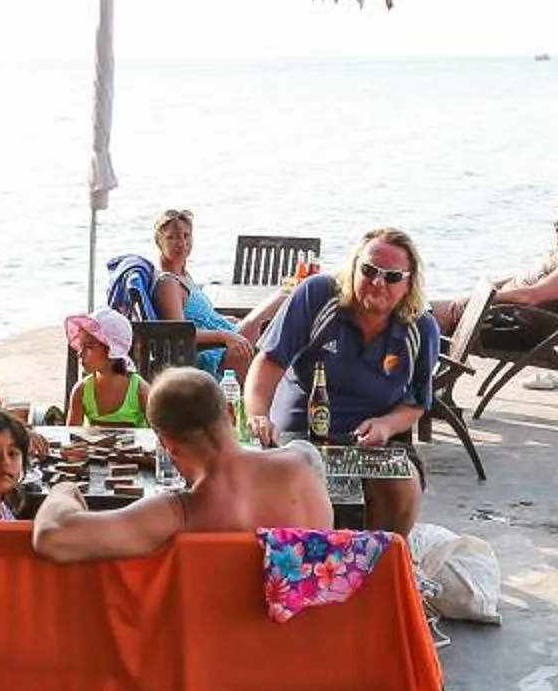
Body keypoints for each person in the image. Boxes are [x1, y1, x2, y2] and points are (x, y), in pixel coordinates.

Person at [245, 228, 438, 536]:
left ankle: (384, 564)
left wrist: (387, 425)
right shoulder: (318, 294)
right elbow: (269, 362)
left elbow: (416, 402)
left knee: (403, 484)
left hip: (373, 440)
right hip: (301, 432)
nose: (377, 282)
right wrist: (257, 414)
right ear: (353, 267)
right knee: (296, 480)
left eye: (391, 276)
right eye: (369, 270)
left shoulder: (421, 328)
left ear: (408, 283)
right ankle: (304, 567)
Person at [30, 368, 334, 561]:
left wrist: (65, 489)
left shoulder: (180, 513)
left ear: (167, 444)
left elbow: (52, 536)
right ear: (229, 413)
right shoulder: (305, 461)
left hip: (218, 650)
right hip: (308, 648)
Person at [429, 200, 558, 355]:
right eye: (557, 224)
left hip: (515, 329)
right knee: (424, 312)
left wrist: (481, 299)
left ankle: (421, 382)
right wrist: (485, 289)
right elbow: (522, 279)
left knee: (427, 320)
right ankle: (426, 381)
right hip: (503, 317)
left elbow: (532, 295)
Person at [147, 209, 255, 379]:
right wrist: (225, 335)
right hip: (214, 354)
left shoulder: (183, 276)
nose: (181, 243)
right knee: (282, 300)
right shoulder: (168, 283)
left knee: (273, 328)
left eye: (186, 235)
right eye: (172, 237)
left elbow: (196, 318)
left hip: (226, 339)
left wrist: (225, 320)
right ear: (159, 242)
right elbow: (178, 333)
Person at [65, 308, 150, 427]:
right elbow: (71, 436)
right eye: (80, 346)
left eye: (88, 347)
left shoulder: (140, 391)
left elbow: (159, 435)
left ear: (112, 350)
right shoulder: (81, 391)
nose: (80, 353)